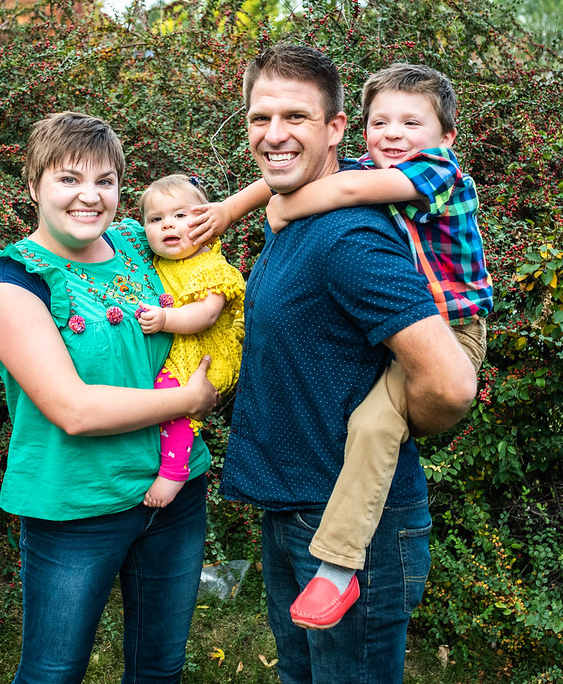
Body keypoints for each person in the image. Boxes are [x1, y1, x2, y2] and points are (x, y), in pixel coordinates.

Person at [190, 62, 492, 629]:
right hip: (295, 503)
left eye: (295, 116)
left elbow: (451, 385)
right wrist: (232, 210)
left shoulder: (358, 225)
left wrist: (288, 206)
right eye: (261, 117)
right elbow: (295, 183)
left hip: (452, 335)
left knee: (377, 425)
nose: (275, 133)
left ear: (334, 127)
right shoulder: (347, 188)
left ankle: (338, 563)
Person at [0, 112, 218, 683]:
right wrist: (190, 401)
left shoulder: (137, 244)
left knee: (160, 666)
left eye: (106, 181)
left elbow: (209, 216)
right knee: (53, 672)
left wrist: (294, 162)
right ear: (33, 185)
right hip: (78, 504)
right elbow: (73, 409)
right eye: (69, 179)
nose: (89, 197)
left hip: (176, 490)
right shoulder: (12, 282)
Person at [133, 174, 245, 508]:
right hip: (179, 348)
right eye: (156, 219)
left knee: (174, 396)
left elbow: (206, 314)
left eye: (180, 216)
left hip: (205, 353)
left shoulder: (210, 266)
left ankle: (174, 471)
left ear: (206, 222)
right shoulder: (156, 262)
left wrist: (165, 319)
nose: (168, 225)